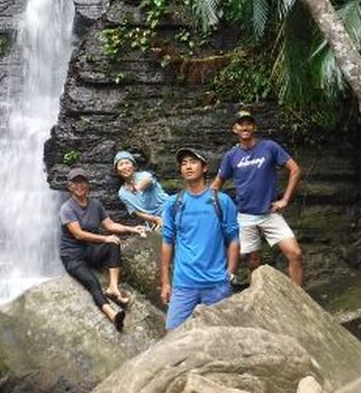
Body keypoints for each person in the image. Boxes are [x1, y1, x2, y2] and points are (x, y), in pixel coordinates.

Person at [210, 109, 305, 285]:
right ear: (235, 129)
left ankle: (298, 298)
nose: (245, 127)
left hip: (270, 213)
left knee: (295, 254)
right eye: (241, 124)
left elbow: (295, 170)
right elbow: (216, 186)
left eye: (249, 124)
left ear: (254, 127)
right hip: (245, 216)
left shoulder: (269, 147)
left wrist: (285, 199)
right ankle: (258, 296)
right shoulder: (231, 156)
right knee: (253, 261)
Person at [160, 148, 240, 331]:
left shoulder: (222, 201)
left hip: (217, 284)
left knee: (222, 335)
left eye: (193, 162)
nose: (188, 166)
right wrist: (165, 282)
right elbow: (167, 242)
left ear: (204, 168)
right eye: (184, 163)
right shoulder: (174, 203)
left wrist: (230, 274)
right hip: (183, 284)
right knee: (172, 333)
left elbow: (234, 240)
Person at [59, 167, 146, 330]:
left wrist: (132, 229)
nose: (79, 185)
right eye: (75, 182)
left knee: (114, 243)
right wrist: (105, 237)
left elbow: (110, 225)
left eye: (82, 182)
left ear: (87, 184)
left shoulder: (96, 205)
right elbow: (78, 234)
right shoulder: (67, 208)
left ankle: (113, 287)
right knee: (92, 282)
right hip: (72, 256)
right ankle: (112, 315)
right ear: (70, 186)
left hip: (90, 251)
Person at [114, 150, 169, 229]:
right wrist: (155, 219)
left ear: (134, 166)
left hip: (167, 208)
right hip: (153, 220)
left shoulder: (144, 175)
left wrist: (138, 187)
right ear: (117, 171)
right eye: (121, 164)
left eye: (127, 163)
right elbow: (136, 212)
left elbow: (148, 180)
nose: (125, 167)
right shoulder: (122, 193)